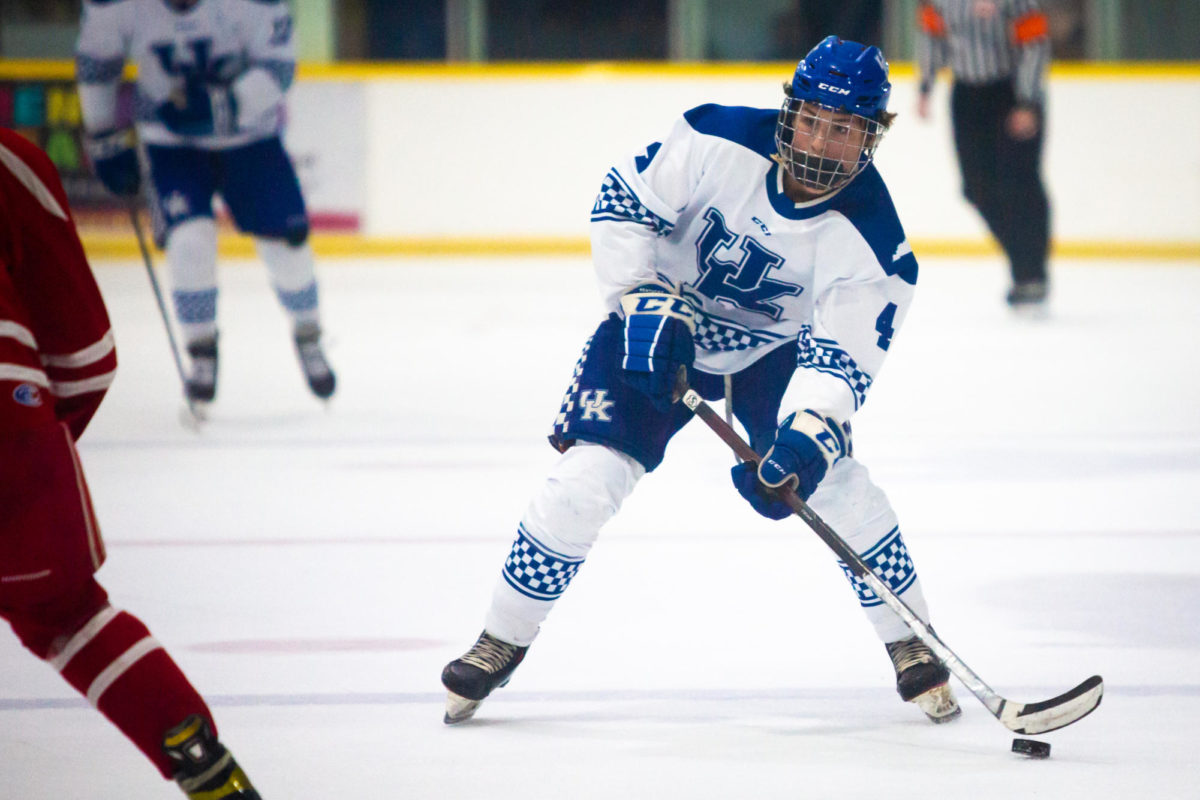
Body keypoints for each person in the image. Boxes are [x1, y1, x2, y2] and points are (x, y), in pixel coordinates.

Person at [441, 37, 962, 727]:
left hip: (772, 353)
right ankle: (499, 638)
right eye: (811, 118)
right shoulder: (714, 136)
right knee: (585, 480)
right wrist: (642, 296)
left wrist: (805, 442)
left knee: (836, 486)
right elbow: (623, 203)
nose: (820, 139)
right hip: (659, 320)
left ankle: (911, 641)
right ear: (790, 110)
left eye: (843, 128)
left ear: (872, 137)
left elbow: (839, 362)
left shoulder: (875, 244)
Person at [0, 127, 261, 797]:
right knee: (68, 618)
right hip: (9, 419)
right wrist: (40, 454)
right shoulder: (10, 157)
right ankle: (204, 767)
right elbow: (86, 356)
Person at [74, 0, 335, 406]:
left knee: (287, 243)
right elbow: (96, 62)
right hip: (169, 143)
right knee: (189, 239)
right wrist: (103, 135)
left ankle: (308, 331)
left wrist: (227, 106)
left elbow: (280, 65)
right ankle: (201, 348)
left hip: (251, 138)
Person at [915, 0, 1052, 312]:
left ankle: (1030, 273)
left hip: (1011, 91)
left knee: (1019, 184)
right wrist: (925, 85)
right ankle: (1024, 261)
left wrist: (1028, 101)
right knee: (975, 187)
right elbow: (932, 36)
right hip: (968, 94)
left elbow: (1035, 43)